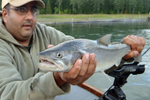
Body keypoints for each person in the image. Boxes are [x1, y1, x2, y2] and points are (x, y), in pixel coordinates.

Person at [0, 0, 145, 100]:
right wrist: (57, 78)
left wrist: (124, 53)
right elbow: (8, 94)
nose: (29, 17)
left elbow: (90, 49)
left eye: (33, 10)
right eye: (21, 10)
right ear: (5, 14)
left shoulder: (44, 32)